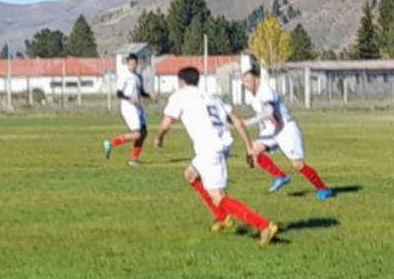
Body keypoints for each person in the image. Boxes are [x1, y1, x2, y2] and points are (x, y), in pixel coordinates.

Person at [154, 66, 280, 246]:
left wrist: (159, 137)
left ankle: (264, 225)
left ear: (181, 82)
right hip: (218, 145)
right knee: (190, 175)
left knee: (219, 197)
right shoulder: (211, 97)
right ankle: (222, 217)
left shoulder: (180, 95)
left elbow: (166, 124)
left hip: (210, 149)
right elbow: (237, 122)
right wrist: (248, 147)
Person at [241, 60, 334, 199]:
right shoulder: (252, 96)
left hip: (286, 129)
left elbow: (268, 112)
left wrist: (247, 123)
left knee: (298, 165)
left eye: (248, 81)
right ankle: (280, 176)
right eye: (244, 82)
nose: (245, 84)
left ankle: (323, 188)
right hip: (273, 130)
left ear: (257, 79)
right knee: (252, 151)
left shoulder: (265, 90)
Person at [103, 54, 149, 165]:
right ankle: (110, 144)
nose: (133, 65)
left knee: (143, 132)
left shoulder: (138, 76)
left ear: (137, 64)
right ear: (128, 64)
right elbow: (119, 93)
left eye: (135, 63)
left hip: (138, 107)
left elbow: (141, 92)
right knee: (137, 134)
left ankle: (134, 160)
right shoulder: (124, 76)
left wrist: (151, 95)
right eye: (131, 63)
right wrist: (129, 99)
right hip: (128, 107)